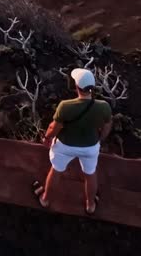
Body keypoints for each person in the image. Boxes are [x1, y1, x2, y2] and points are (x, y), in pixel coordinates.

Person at [33, 67, 113, 215]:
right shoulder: (103, 107)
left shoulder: (65, 106)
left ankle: (45, 199)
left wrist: (47, 138)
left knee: (56, 170)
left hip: (65, 146)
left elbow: (54, 127)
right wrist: (100, 140)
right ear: (92, 88)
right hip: (90, 147)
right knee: (90, 174)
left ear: (76, 86)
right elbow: (107, 126)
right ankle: (90, 206)